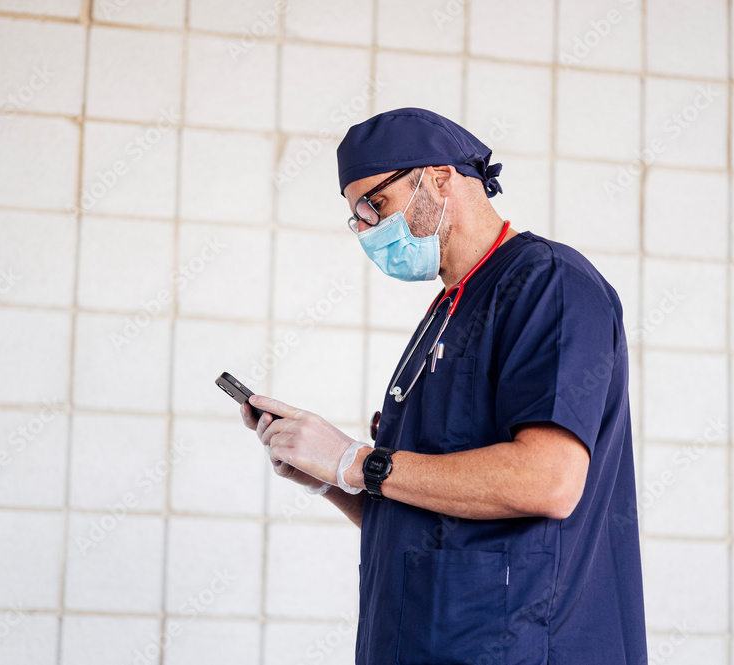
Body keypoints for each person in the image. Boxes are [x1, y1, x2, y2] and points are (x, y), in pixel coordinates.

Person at [240, 107, 647, 665]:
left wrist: (359, 461)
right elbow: (427, 512)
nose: (363, 230)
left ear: (438, 178)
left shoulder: (548, 284)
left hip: (521, 643)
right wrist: (330, 476)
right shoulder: (447, 311)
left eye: (373, 206)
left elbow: (548, 480)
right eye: (354, 217)